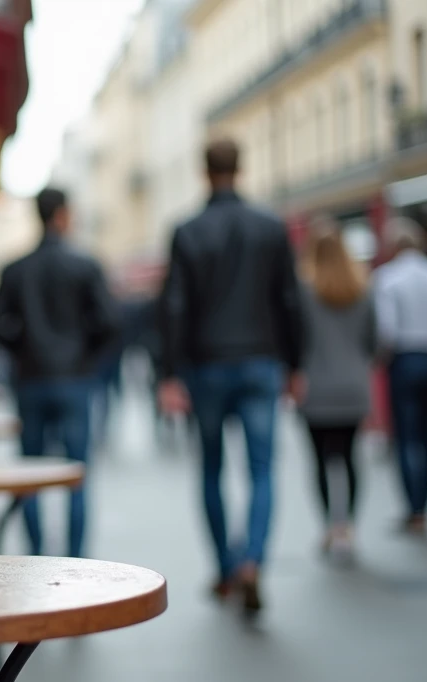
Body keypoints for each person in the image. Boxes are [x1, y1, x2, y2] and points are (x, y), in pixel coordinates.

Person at [157, 139, 303, 615]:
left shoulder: (187, 231)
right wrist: (296, 364)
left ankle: (224, 569)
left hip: (206, 366)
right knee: (262, 469)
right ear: (241, 168)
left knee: (211, 469)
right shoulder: (270, 226)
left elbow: (174, 306)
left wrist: (169, 373)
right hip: (261, 361)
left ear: (204, 172)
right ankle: (252, 560)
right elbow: (289, 300)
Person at [0, 187, 119, 558]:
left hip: (31, 379)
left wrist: (20, 349)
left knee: (30, 474)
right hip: (74, 379)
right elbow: (110, 322)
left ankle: (37, 554)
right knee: (77, 473)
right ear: (63, 215)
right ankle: (76, 558)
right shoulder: (85, 265)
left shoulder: (16, 269)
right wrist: (87, 357)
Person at [297, 220, 376, 560]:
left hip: (315, 388)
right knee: (350, 458)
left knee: (320, 461)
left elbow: (295, 340)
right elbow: (374, 341)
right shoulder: (362, 287)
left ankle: (330, 526)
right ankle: (348, 527)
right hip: (354, 386)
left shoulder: (303, 291)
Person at [374, 217, 427, 535]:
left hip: (405, 360)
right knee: (426, 437)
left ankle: (413, 509)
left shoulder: (388, 278)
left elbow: (387, 330)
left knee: (407, 437)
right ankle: (423, 509)